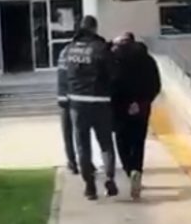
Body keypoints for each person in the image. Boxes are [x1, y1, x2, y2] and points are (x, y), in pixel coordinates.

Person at [64, 15, 117, 200]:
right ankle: (109, 178)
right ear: (94, 28)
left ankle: (89, 186)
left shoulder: (70, 49)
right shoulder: (101, 48)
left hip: (77, 104)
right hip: (100, 102)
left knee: (82, 146)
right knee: (106, 143)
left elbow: (65, 75)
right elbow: (113, 73)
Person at [112, 32, 161, 200]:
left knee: (121, 140)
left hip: (120, 107)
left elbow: (111, 83)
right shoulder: (148, 60)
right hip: (142, 107)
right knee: (138, 142)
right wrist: (142, 101)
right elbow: (156, 85)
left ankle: (128, 169)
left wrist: (121, 103)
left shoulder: (114, 59)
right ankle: (137, 170)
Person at [57, 45, 78, 175]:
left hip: (66, 97)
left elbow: (61, 76)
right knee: (81, 133)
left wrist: (61, 97)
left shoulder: (65, 52)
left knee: (68, 132)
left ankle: (72, 161)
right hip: (80, 98)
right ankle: (83, 162)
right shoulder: (88, 50)